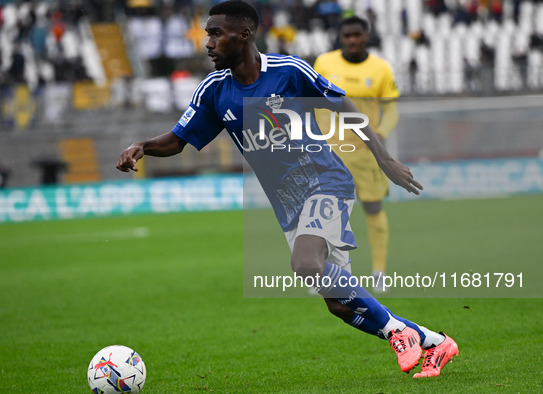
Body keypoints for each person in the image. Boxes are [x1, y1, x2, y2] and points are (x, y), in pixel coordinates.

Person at [117, 0, 458, 378]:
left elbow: (343, 105)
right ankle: (434, 342)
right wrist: (143, 146)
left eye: (215, 33)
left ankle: (398, 333)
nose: (208, 42)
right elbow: (178, 140)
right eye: (207, 34)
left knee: (305, 263)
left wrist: (383, 159)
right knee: (340, 305)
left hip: (326, 182)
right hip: (288, 204)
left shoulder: (289, 71)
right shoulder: (213, 91)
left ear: (243, 34)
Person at [313, 16, 399, 292]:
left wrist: (381, 135)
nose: (351, 40)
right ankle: (320, 272)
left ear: (366, 36)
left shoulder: (381, 68)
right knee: (323, 213)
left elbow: (392, 109)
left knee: (373, 208)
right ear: (340, 37)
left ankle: (379, 272)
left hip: (365, 153)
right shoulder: (324, 63)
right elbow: (312, 104)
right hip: (330, 154)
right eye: (346, 35)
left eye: (356, 35)